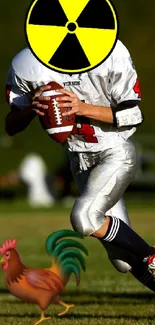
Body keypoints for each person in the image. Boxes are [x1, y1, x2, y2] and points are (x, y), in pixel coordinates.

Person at [5, 40, 155, 291]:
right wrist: (33, 105)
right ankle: (146, 258)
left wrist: (82, 108)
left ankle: (151, 256)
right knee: (122, 261)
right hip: (80, 163)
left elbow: (134, 115)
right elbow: (11, 126)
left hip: (114, 153)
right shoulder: (28, 64)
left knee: (84, 217)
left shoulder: (110, 54)